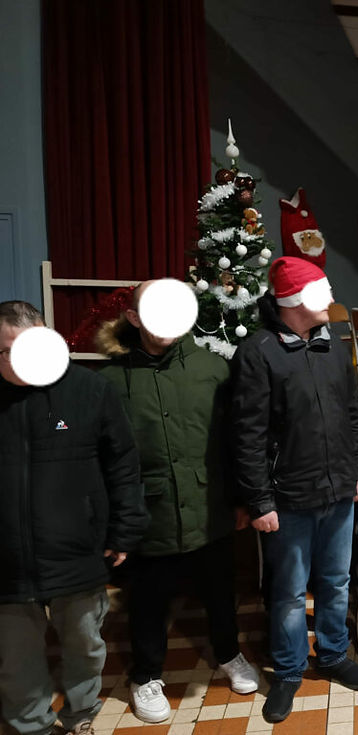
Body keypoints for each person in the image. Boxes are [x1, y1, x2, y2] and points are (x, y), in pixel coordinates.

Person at [96, 282, 259, 723]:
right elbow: (106, 457)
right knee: (148, 600)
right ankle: (146, 675)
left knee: (220, 591)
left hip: (209, 505)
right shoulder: (111, 381)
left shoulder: (213, 369)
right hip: (150, 513)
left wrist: (241, 498)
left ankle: (228, 653)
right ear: (134, 318)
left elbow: (233, 441)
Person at [231, 257, 358, 723]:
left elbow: (352, 414)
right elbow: (247, 433)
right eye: (320, 293)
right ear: (293, 302)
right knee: (290, 592)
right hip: (287, 497)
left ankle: (331, 655)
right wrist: (259, 500)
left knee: (336, 581)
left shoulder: (333, 345)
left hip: (338, 490)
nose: (330, 300)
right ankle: (289, 669)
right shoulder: (258, 352)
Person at [0, 300, 148, 735]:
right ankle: (32, 726)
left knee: (85, 645)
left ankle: (81, 714)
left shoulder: (90, 389)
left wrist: (124, 530)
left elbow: (123, 464)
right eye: (9, 351)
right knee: (16, 658)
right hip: (6, 560)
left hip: (79, 551)